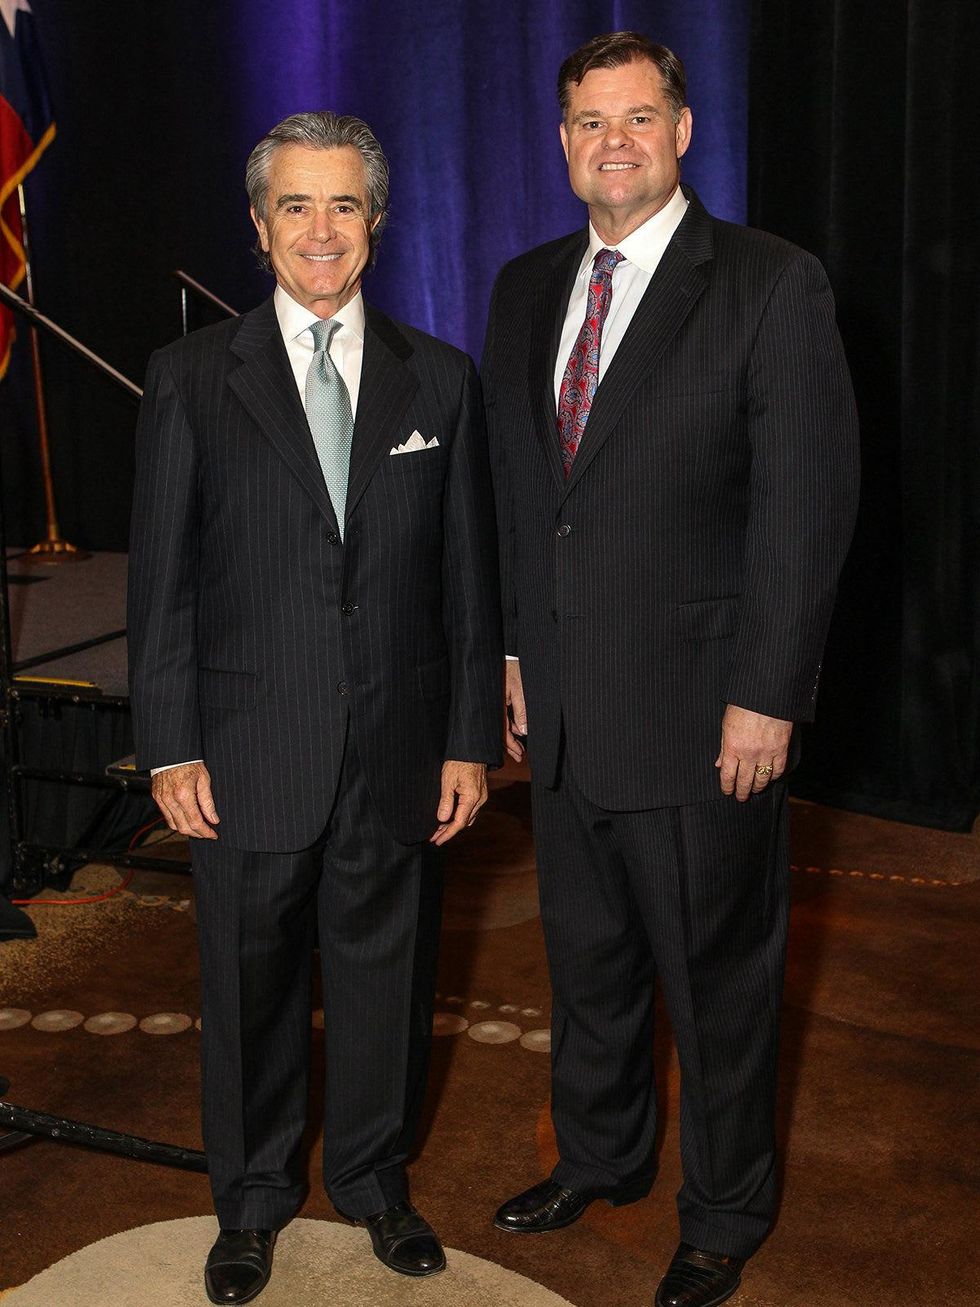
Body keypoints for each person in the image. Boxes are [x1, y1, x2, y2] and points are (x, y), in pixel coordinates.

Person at [482, 32, 859, 1307]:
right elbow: (521, 492)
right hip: (565, 708)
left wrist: (767, 693)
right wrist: (515, 649)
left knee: (717, 985)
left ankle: (724, 1210)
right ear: (562, 142)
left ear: (682, 132)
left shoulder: (768, 282)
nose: (614, 142)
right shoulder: (525, 285)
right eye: (590, 122)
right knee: (587, 963)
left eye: (638, 118)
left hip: (705, 717)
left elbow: (804, 507)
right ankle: (600, 1155)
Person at [128, 111, 501, 1305]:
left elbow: (467, 584)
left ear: (376, 223)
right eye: (297, 204)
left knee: (388, 981)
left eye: (344, 204)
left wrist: (466, 740)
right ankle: (248, 1201)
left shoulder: (439, 377)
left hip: (397, 746)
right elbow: (161, 583)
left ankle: (375, 1181)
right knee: (248, 987)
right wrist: (168, 743)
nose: (321, 229)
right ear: (259, 225)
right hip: (243, 749)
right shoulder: (192, 377)